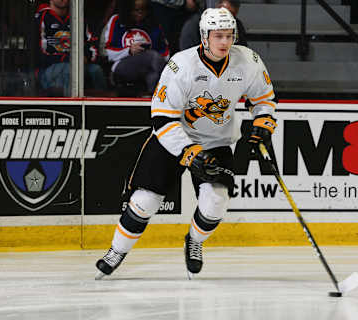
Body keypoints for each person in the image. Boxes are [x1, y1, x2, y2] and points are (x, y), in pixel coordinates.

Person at [95, 7, 278, 279]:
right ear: (204, 37)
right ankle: (117, 251)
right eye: (218, 36)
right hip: (174, 138)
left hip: (217, 140)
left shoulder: (248, 61)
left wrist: (263, 124)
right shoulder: (181, 65)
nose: (225, 42)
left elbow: (264, 99)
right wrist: (189, 152)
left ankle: (194, 242)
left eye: (229, 36)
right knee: (146, 200)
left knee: (216, 202)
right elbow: (162, 118)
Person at [35, 0, 107, 96]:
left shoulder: (78, 15)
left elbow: (92, 46)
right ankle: (67, 108)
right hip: (49, 68)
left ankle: (101, 107)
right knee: (66, 69)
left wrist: (86, 57)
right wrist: (71, 59)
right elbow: (38, 54)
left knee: (96, 70)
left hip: (78, 64)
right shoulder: (41, 18)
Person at [102, 0, 170, 96]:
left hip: (150, 68)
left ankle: (151, 99)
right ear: (128, 10)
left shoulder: (153, 25)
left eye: (143, 10)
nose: (140, 13)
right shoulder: (117, 20)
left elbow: (165, 54)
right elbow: (106, 52)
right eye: (136, 10)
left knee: (153, 73)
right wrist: (129, 51)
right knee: (153, 57)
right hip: (121, 66)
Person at [179, 0, 248, 50]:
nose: (227, 17)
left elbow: (242, 49)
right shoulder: (195, 24)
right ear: (218, 7)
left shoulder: (237, 24)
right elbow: (187, 51)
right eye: (224, 12)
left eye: (231, 14)